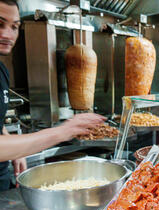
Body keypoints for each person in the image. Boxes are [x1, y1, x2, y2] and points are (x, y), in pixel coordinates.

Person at [0, 0, 105, 191]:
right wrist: (62, 131)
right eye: (0, 24)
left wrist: (16, 151)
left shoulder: (1, 71)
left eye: (14, 27)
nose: (7, 34)